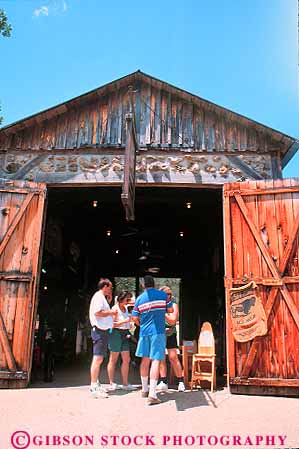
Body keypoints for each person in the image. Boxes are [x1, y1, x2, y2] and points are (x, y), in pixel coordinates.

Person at [132, 275, 173, 405]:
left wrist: (141, 325)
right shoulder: (163, 295)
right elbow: (171, 310)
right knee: (156, 360)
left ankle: (145, 389)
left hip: (144, 333)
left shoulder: (139, 299)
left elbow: (134, 318)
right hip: (158, 332)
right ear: (154, 284)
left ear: (143, 285)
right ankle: (153, 394)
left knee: (144, 360)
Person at [89, 278, 117, 398]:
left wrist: (109, 304)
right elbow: (98, 313)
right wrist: (111, 312)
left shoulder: (101, 298)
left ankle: (96, 383)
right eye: (110, 287)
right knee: (98, 358)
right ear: (104, 286)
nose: (111, 290)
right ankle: (93, 385)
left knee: (99, 358)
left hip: (103, 331)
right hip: (99, 331)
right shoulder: (99, 297)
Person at [157, 286, 186, 392]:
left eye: (170, 294)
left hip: (170, 334)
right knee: (161, 358)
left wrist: (162, 313)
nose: (169, 296)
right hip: (160, 334)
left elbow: (173, 320)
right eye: (166, 294)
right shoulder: (157, 305)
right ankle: (163, 381)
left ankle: (181, 381)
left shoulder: (173, 305)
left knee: (173, 357)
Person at [107, 290, 136, 390]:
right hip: (116, 333)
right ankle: (111, 383)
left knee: (126, 359)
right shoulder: (115, 309)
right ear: (121, 299)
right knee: (113, 359)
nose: (128, 301)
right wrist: (125, 320)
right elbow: (112, 324)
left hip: (125, 333)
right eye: (127, 299)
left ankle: (125, 383)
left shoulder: (125, 308)